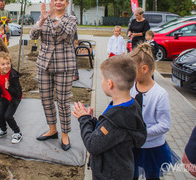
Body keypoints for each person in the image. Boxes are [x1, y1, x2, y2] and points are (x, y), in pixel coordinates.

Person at [72, 54, 147, 180]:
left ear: (109, 83)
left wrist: (83, 120)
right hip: (124, 168)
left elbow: (92, 145)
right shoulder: (132, 105)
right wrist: (93, 121)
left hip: (109, 175)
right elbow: (110, 134)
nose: (101, 82)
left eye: (101, 79)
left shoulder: (116, 119)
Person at [30, 0, 77, 151]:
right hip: (44, 65)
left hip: (64, 66)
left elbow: (65, 34)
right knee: (46, 100)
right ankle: (52, 129)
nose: (58, 2)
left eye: (61, 0)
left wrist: (54, 17)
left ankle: (65, 134)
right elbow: (32, 35)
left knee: (63, 102)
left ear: (67, 3)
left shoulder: (71, 19)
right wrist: (41, 21)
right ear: (52, 1)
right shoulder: (46, 17)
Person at [130, 43, 180, 179]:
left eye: (132, 69)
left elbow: (164, 124)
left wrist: (143, 133)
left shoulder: (160, 94)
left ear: (144, 69)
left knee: (152, 176)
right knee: (131, 174)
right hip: (133, 145)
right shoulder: (131, 88)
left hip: (152, 147)